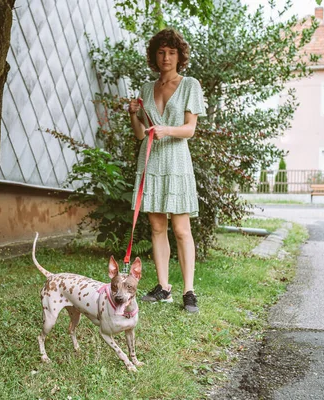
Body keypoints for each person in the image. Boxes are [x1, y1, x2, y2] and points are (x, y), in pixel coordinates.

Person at [128, 28, 205, 313]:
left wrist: (166, 130)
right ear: (154, 55)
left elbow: (190, 129)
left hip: (176, 162)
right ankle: (163, 288)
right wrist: (133, 115)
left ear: (179, 56)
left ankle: (189, 291)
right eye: (161, 52)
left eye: (172, 52)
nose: (166, 57)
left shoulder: (190, 85)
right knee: (157, 227)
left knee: (181, 229)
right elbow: (139, 135)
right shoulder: (147, 89)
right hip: (150, 162)